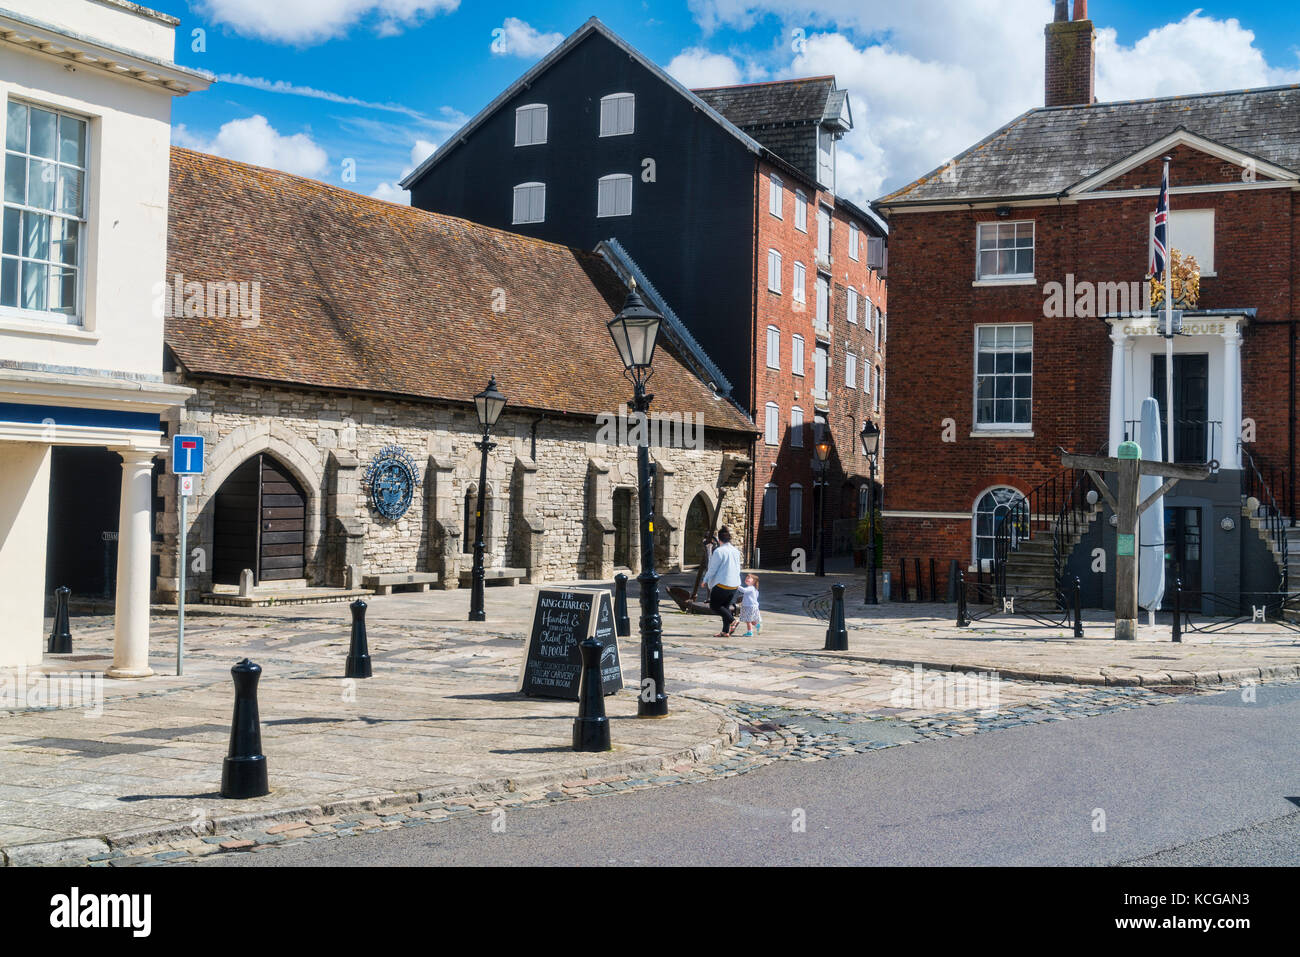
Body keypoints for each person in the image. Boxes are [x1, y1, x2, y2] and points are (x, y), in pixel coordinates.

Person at [702, 525, 741, 637]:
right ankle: (725, 631)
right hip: (734, 585)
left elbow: (712, 569)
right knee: (725, 606)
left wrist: (705, 580)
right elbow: (738, 568)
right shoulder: (736, 551)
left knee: (714, 606)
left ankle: (733, 621)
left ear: (719, 540)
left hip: (722, 584)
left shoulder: (719, 551)